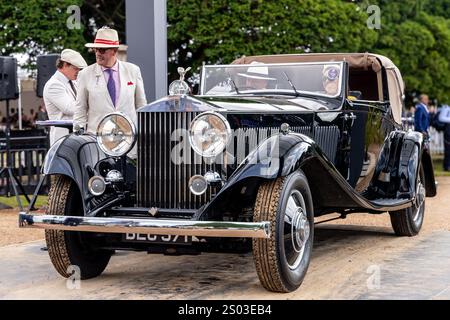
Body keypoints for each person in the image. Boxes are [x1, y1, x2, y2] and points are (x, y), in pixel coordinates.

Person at [73, 26, 147, 137]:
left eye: (102, 50)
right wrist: (78, 133)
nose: (98, 53)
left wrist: (144, 132)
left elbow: (141, 106)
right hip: (97, 140)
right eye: (96, 49)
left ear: (114, 51)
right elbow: (80, 108)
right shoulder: (85, 74)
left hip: (128, 140)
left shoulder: (133, 71)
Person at [43, 49, 87, 146]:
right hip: (63, 140)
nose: (78, 72)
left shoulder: (73, 82)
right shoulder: (54, 85)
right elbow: (70, 108)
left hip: (75, 137)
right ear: (65, 65)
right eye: (76, 69)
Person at [438, 104, 450, 171]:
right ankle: (447, 166)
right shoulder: (446, 107)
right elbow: (441, 118)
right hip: (448, 130)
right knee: (448, 150)